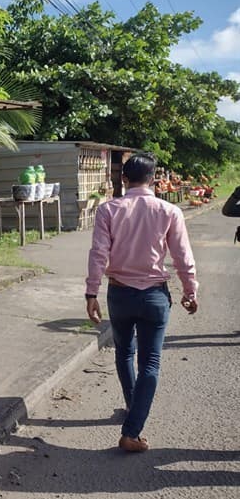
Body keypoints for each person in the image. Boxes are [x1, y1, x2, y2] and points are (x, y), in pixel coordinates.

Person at [85, 153, 199, 453]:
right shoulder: (169, 210)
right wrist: (190, 291)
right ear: (153, 179)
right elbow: (182, 257)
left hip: (119, 293)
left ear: (124, 179)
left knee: (124, 352)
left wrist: (91, 293)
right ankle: (132, 430)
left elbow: (98, 253)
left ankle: (132, 409)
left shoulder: (108, 210)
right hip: (154, 296)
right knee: (150, 361)